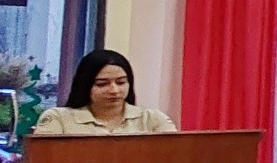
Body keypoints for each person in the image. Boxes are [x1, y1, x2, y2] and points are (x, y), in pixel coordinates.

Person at [31, 50, 177, 136]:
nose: (114, 90)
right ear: (85, 85)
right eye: (102, 84)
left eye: (121, 82)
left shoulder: (153, 119)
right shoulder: (58, 118)